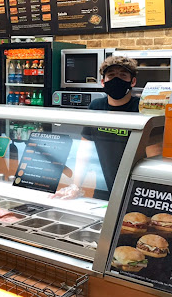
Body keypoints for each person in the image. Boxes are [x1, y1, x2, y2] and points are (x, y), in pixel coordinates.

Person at [50, 56, 139, 200]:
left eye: (123, 75)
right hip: (103, 188)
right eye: (111, 76)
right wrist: (76, 186)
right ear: (103, 82)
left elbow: (152, 156)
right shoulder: (96, 107)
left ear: (133, 81)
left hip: (136, 191)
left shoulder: (141, 108)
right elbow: (85, 152)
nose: (117, 80)